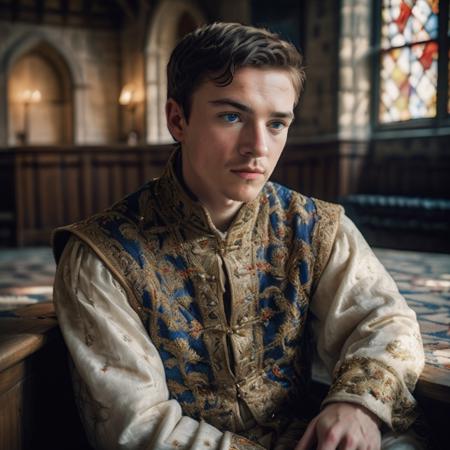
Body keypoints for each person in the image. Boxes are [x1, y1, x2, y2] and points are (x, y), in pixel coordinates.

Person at [52, 22, 426, 450]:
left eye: (277, 124)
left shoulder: (316, 226)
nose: (258, 147)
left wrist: (358, 404)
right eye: (232, 116)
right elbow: (137, 427)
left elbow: (385, 320)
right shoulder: (101, 258)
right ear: (178, 119)